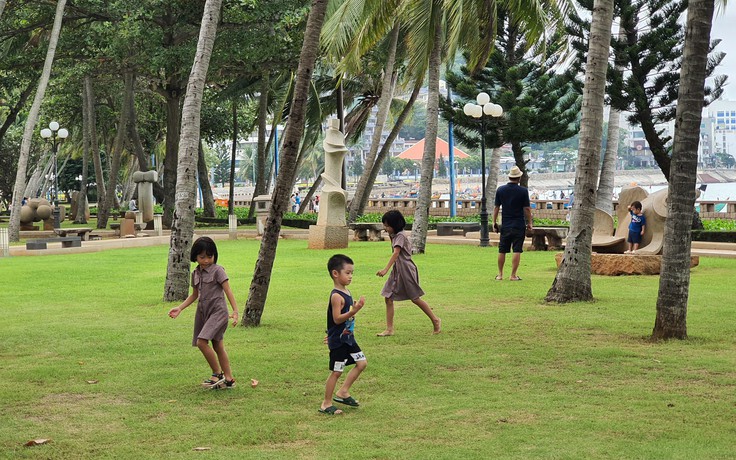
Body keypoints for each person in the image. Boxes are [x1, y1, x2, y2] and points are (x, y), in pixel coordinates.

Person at [168, 237, 239, 389]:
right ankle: (229, 379)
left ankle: (217, 374)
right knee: (218, 346)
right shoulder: (196, 273)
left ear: (214, 255)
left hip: (218, 312)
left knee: (202, 342)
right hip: (203, 313)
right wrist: (180, 308)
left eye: (210, 256)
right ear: (195, 257)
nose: (206, 260)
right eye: (202, 257)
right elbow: (194, 295)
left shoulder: (218, 271)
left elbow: (228, 290)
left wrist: (235, 311)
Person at [376, 210, 441, 336]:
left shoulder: (400, 236)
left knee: (415, 298)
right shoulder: (395, 235)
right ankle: (389, 329)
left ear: (395, 225)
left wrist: (385, 270)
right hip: (398, 270)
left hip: (406, 270)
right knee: (388, 297)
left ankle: (435, 320)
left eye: (387, 226)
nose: (385, 228)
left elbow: (396, 253)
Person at [320, 254, 367, 415]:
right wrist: (354, 311)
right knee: (337, 371)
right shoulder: (336, 296)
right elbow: (337, 319)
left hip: (348, 338)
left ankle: (343, 392)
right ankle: (326, 404)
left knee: (362, 363)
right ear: (335, 274)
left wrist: (352, 310)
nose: (351, 276)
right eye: (347, 273)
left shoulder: (346, 291)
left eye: (352, 273)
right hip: (339, 342)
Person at [492, 166, 532, 281]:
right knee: (517, 249)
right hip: (519, 224)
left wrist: (494, 222)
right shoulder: (523, 191)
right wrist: (529, 223)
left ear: (509, 177)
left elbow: (496, 208)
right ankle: (513, 275)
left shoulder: (500, 190)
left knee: (502, 249)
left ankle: (500, 275)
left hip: (506, 224)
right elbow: (527, 209)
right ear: (519, 178)